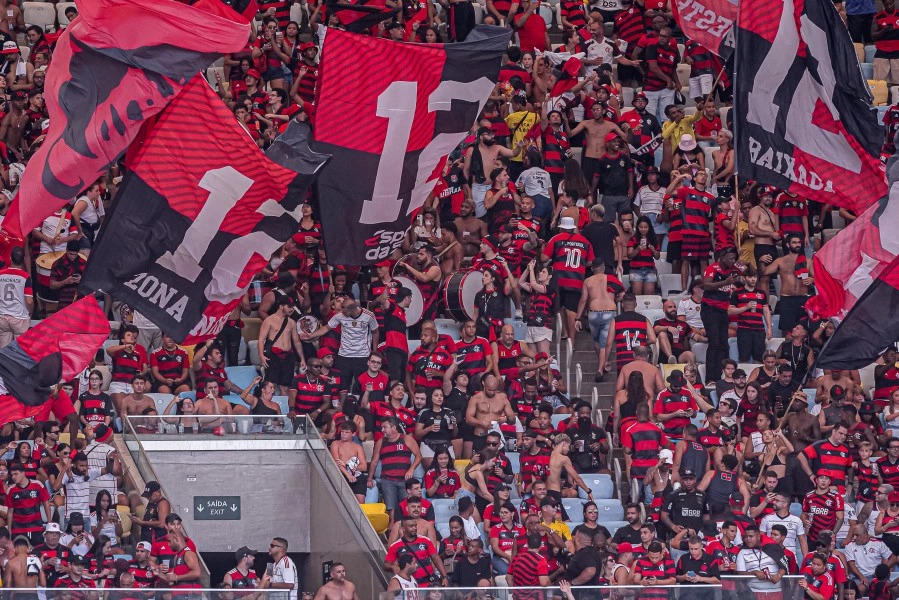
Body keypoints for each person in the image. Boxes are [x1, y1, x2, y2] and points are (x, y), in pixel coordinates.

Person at [301, 300, 379, 389]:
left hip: (362, 356)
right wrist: (310, 335)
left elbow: (375, 332)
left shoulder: (369, 315)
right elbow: (326, 328)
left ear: (352, 309)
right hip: (344, 356)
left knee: (361, 386)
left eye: (343, 309)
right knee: (342, 385)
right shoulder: (339, 316)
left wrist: (375, 351)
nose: (342, 311)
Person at [541, 216, 595, 341]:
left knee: (558, 306)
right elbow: (591, 261)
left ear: (561, 228)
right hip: (576, 280)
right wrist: (580, 265)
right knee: (572, 310)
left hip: (558, 279)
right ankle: (572, 341)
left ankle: (564, 332)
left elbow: (544, 258)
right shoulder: (585, 241)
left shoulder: (556, 239)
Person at [575, 259, 623, 380]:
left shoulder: (588, 281)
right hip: (609, 312)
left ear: (592, 269)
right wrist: (614, 300)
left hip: (594, 313)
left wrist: (578, 318)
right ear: (603, 267)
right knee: (604, 344)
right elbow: (623, 294)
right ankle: (600, 369)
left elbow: (583, 300)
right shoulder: (612, 279)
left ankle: (603, 364)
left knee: (597, 341)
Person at [701, 246, 740, 384]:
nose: (732, 260)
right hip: (709, 309)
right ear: (722, 257)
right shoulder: (712, 268)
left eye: (734, 258)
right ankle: (711, 378)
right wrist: (726, 282)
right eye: (730, 258)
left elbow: (752, 272)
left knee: (724, 344)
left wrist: (743, 263)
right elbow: (706, 285)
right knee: (714, 343)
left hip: (723, 310)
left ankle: (723, 377)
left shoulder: (733, 268)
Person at [368, 417, 422, 513]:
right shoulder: (380, 442)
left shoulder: (406, 439)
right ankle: (392, 527)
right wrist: (369, 479)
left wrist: (411, 470)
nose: (382, 430)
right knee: (391, 510)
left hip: (404, 480)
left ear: (393, 427)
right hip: (387, 480)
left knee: (406, 509)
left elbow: (418, 456)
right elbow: (374, 461)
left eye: (385, 427)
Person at [258, 296, 305, 396]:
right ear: (281, 306)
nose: (292, 309)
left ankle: (284, 410)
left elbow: (297, 342)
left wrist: (302, 359)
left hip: (288, 357)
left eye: (293, 306)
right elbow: (261, 340)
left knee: (285, 387)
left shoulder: (292, 322)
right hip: (273, 356)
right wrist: (262, 356)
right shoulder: (269, 320)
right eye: (289, 306)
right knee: (270, 385)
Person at [384, 516, 449, 588]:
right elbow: (386, 565)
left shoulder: (425, 540)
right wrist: (393, 567)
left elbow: (435, 557)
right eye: (411, 526)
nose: (414, 528)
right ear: (403, 529)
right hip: (410, 585)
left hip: (429, 585)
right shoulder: (395, 546)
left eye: (415, 525)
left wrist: (444, 576)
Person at [0, 246, 32, 348]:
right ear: (23, 260)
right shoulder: (26, 277)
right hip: (20, 318)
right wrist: (30, 312)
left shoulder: (1, 275)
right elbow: (29, 301)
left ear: (10, 258)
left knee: (4, 351)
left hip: (2, 317)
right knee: (20, 352)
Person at [760, 492, 809, 558]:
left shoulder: (796, 520)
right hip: (771, 559)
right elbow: (761, 540)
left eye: (777, 500)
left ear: (785, 504)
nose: (774, 502)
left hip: (791, 559)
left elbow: (802, 542)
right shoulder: (766, 519)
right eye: (774, 500)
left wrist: (806, 561)